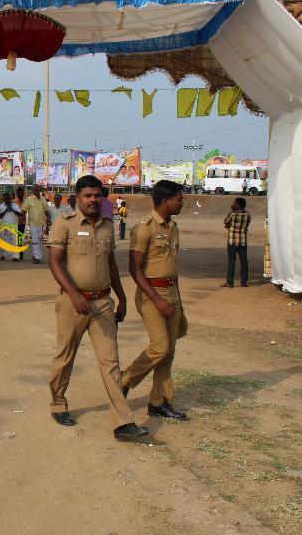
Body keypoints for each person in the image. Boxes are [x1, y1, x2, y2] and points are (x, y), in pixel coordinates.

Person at [47, 175, 148, 441]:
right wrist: (73, 294)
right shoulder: (64, 223)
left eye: (97, 195)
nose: (93, 200)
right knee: (65, 356)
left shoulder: (106, 226)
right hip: (73, 304)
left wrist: (122, 297)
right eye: (88, 195)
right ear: (78, 197)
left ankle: (123, 422)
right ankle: (58, 403)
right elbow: (55, 263)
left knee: (110, 362)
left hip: (103, 303)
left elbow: (111, 262)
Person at [121, 180, 189, 422]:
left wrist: (178, 300)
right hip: (152, 296)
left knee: (168, 352)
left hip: (172, 294)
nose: (182, 203)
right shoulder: (144, 229)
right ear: (165, 201)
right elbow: (135, 269)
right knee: (160, 347)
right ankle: (125, 380)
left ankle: (159, 402)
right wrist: (157, 300)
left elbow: (172, 267)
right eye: (179, 199)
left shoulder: (174, 227)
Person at [223, 197, 251, 288]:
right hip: (243, 241)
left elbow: (226, 222)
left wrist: (229, 225)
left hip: (232, 241)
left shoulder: (232, 214)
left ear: (238, 205)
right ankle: (244, 282)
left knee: (231, 262)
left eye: (235, 203)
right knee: (244, 262)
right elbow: (246, 225)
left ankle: (230, 283)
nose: (233, 204)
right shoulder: (248, 215)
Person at [21, 185, 51, 264]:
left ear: (39, 190)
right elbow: (23, 210)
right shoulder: (29, 199)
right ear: (32, 191)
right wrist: (23, 220)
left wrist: (49, 220)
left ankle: (35, 255)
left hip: (42, 224)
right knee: (35, 240)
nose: (36, 191)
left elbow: (47, 210)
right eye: (34, 190)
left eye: (37, 189)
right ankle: (37, 257)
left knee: (40, 240)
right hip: (32, 223)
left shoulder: (43, 199)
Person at [0, 192, 23, 261]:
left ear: (10, 198)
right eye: (5, 198)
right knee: (4, 241)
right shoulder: (1, 206)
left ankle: (15, 257)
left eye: (7, 198)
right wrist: (5, 210)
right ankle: (4, 255)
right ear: (3, 199)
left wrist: (12, 210)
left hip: (13, 227)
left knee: (14, 241)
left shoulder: (15, 205)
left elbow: (20, 214)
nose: (6, 199)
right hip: (4, 227)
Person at [15, 188, 28, 260]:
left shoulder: (26, 202)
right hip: (14, 223)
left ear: (23, 194)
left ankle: (20, 253)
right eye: (19, 193)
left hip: (22, 223)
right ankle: (16, 254)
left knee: (20, 238)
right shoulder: (13, 202)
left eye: (22, 193)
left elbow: (24, 213)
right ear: (17, 194)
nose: (20, 194)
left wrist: (21, 221)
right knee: (14, 239)